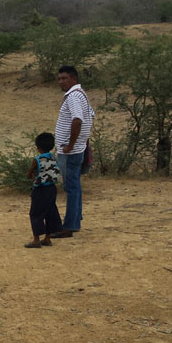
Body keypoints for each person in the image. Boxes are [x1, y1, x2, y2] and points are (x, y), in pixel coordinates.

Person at [52, 65, 94, 238]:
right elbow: (90, 117)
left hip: (71, 151)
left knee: (71, 187)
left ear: (74, 79)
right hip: (77, 148)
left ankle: (69, 226)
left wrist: (70, 145)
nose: (61, 81)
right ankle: (75, 220)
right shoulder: (80, 94)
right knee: (74, 186)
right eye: (60, 78)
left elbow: (77, 120)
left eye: (65, 78)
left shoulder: (74, 97)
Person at [25, 132, 62, 248]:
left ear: (38, 147)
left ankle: (36, 240)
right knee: (50, 212)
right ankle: (47, 238)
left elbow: (29, 174)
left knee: (36, 213)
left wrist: (32, 176)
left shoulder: (36, 160)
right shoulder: (53, 157)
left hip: (40, 190)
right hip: (51, 188)